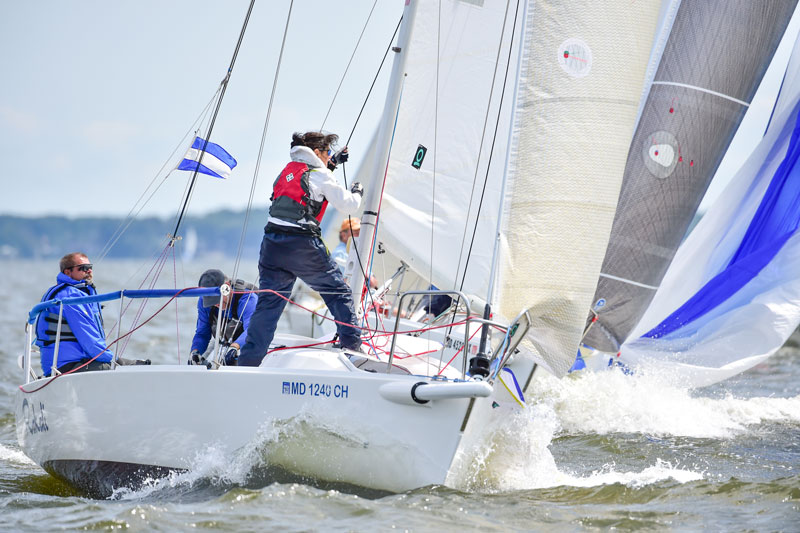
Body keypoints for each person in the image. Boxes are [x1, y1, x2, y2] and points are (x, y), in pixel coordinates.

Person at [238, 131, 364, 366]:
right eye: (326, 153)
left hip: (272, 245)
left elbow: (310, 186)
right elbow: (349, 204)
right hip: (301, 245)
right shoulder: (321, 174)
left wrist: (332, 163)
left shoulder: (288, 170)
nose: (328, 157)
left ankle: (248, 362)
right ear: (317, 153)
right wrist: (357, 191)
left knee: (269, 304)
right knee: (337, 291)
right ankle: (352, 347)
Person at [35, 253, 115, 376]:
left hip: (68, 364)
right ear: (67, 272)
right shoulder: (71, 295)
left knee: (132, 364)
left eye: (90, 267)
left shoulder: (74, 292)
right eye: (83, 267)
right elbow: (89, 341)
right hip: (67, 366)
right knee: (124, 366)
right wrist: (113, 359)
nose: (89, 270)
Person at [190, 268, 257, 366]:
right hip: (224, 341)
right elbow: (202, 333)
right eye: (211, 301)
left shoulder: (248, 299)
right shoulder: (204, 302)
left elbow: (252, 330)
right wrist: (195, 351)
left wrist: (234, 347)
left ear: (227, 287)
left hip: (250, 342)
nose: (216, 304)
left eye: (217, 299)